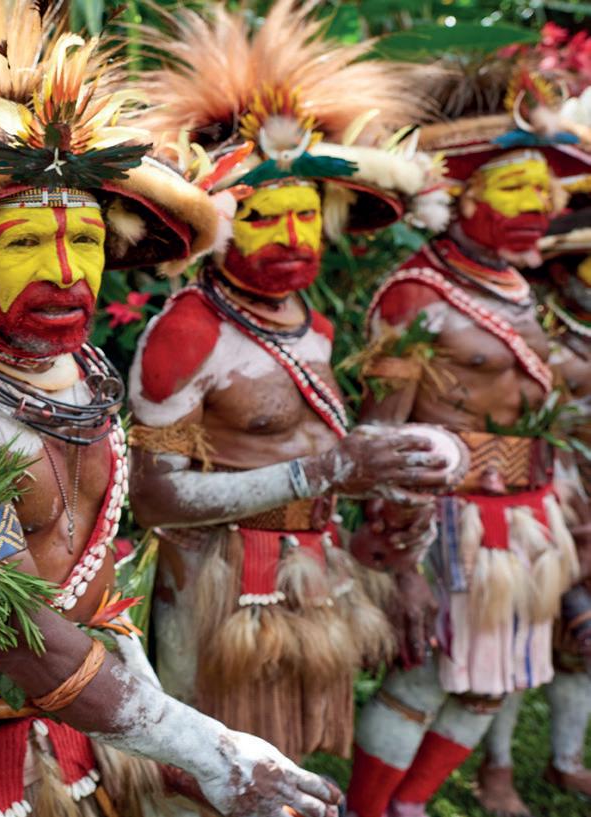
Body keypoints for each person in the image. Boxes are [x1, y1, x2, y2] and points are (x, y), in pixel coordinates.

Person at [0, 2, 344, 816]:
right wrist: (207, 746)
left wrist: (153, 711)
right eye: (25, 242)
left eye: (84, 240)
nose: (66, 271)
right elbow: (17, 631)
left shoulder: (80, 372)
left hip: (79, 708)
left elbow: (86, 580)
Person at [123, 0, 465, 768]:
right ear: (217, 227)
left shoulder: (316, 326)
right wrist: (322, 471)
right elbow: (154, 497)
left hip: (311, 572)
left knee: (294, 758)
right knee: (212, 768)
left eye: (305, 216)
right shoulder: (187, 331)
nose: (292, 238)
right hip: (216, 586)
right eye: (264, 217)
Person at [343, 60, 591, 817]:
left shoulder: (520, 291)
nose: (536, 205)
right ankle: (368, 809)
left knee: (496, 681)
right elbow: (381, 435)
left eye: (543, 192)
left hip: (528, 517)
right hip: (448, 521)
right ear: (463, 198)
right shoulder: (414, 295)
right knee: (423, 681)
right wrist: (402, 564)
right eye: (513, 189)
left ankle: (411, 805)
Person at [472, 200, 591, 817]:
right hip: (551, 507)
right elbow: (533, 436)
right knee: (525, 641)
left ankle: (566, 759)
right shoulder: (541, 341)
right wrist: (567, 518)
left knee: (583, 648)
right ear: (563, 271)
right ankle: (497, 770)